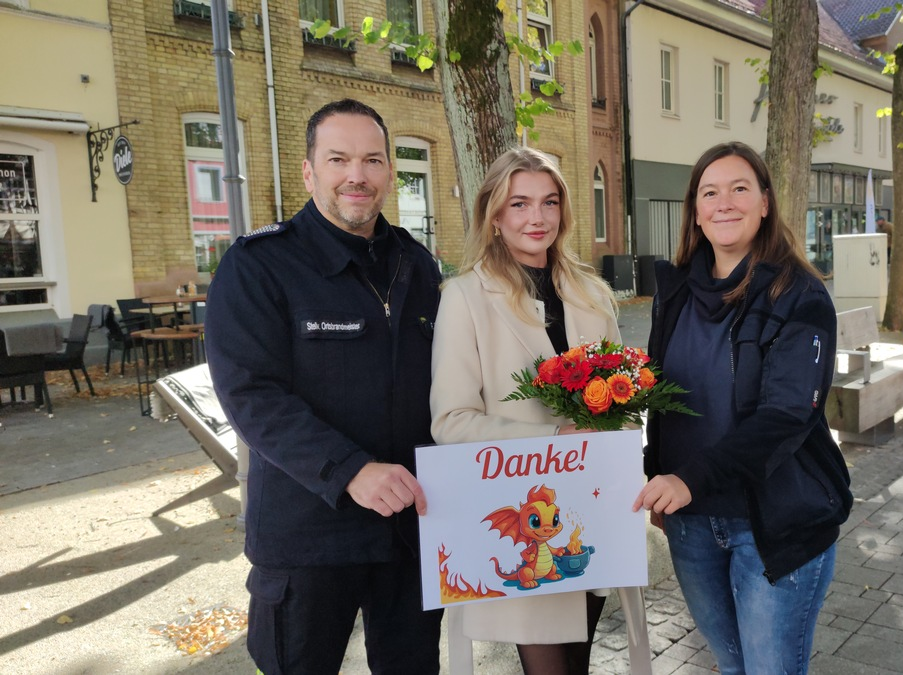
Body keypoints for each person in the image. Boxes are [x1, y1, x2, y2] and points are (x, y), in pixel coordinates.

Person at [205, 99, 444, 674]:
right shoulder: (258, 265)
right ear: (309, 171)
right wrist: (351, 471)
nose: (356, 175)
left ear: (389, 172)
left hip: (408, 533)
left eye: (372, 160)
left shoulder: (417, 265)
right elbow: (251, 395)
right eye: (339, 159)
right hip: (308, 534)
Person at [633, 142, 853, 675]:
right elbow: (665, 399)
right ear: (695, 211)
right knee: (733, 668)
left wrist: (688, 478)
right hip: (691, 524)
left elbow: (786, 415)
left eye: (739, 189)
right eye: (710, 192)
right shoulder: (674, 292)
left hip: (774, 523)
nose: (724, 203)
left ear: (765, 203)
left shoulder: (799, 295)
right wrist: (655, 470)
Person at [430, 146, 620, 675]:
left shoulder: (591, 292)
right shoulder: (465, 297)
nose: (537, 217)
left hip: (589, 513)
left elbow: (622, 398)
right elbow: (451, 421)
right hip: (524, 518)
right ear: (494, 215)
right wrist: (554, 443)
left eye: (549, 202)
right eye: (519, 204)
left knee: (578, 663)